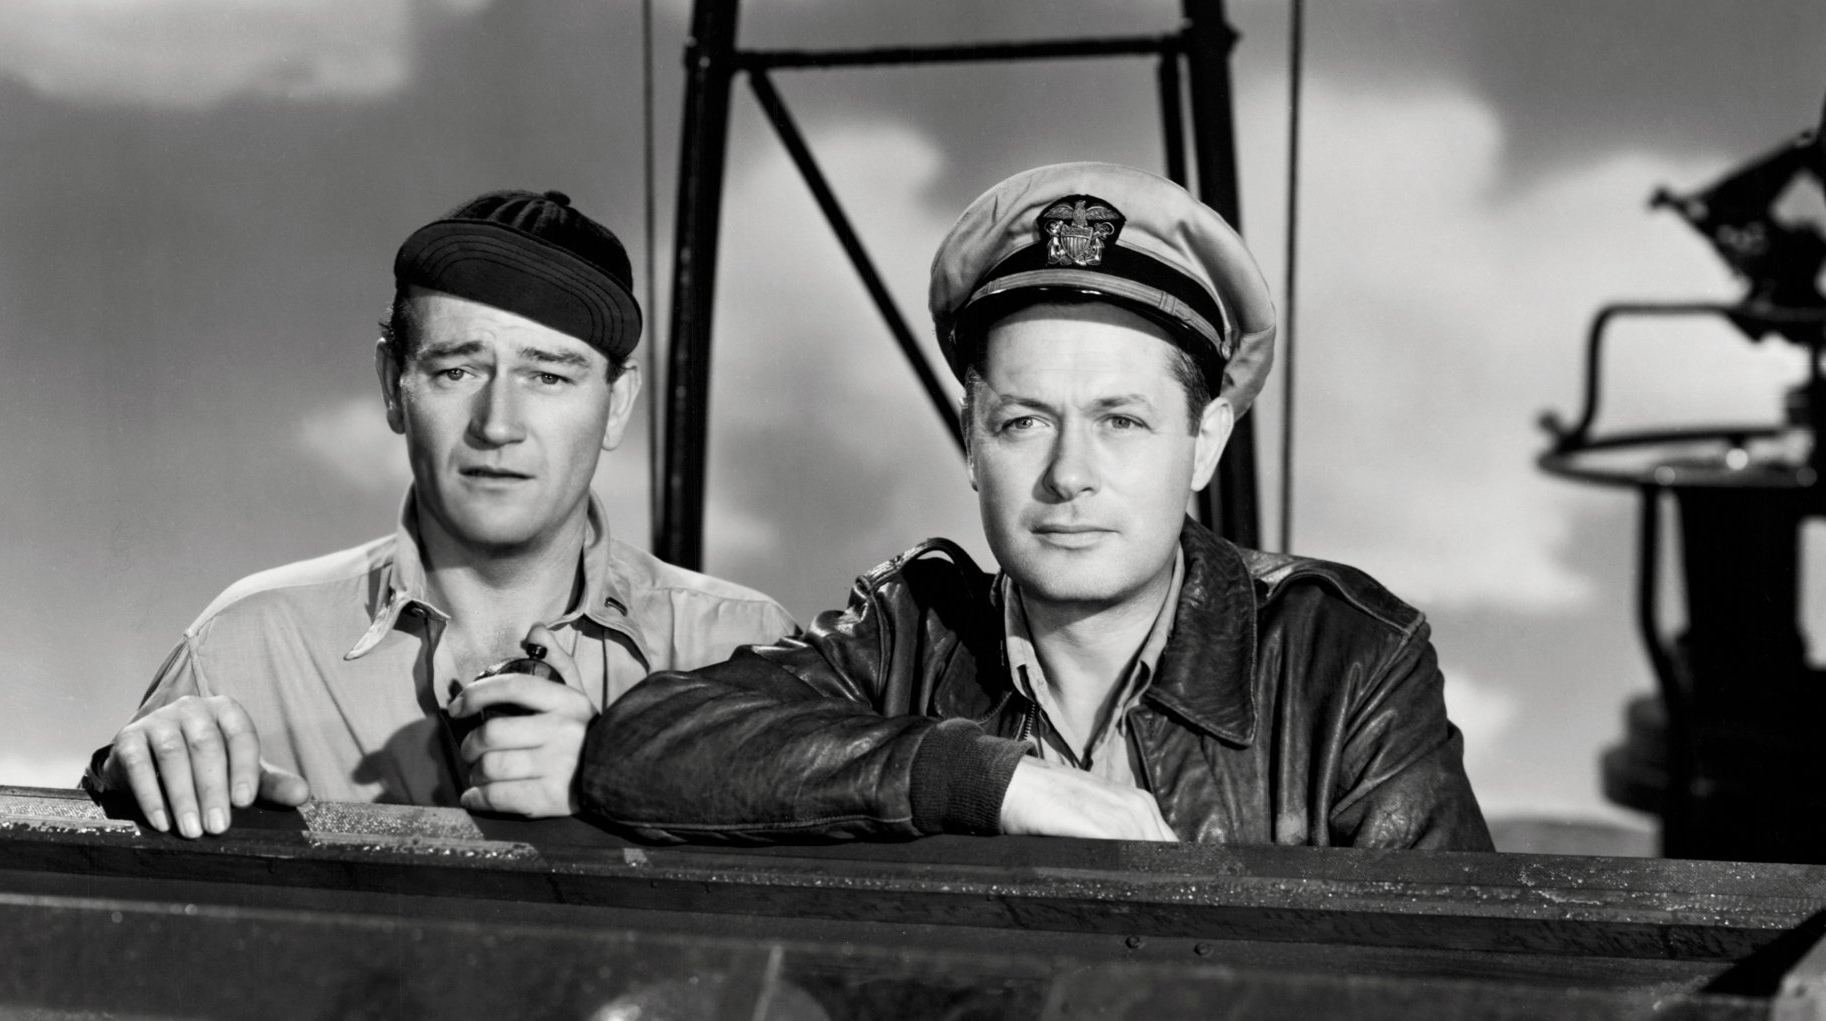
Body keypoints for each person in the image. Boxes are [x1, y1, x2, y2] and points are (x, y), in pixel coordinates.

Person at [580, 162, 1492, 849]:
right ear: (971, 436)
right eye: (1024, 422)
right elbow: (641, 746)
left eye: (1121, 422)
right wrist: (981, 781)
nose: (1069, 474)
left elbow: (1449, 1002)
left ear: (1204, 441)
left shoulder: (1344, 661)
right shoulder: (910, 634)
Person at [90, 189, 794, 837]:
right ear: (393, 388)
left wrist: (623, 778)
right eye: (457, 371)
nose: (498, 424)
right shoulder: (241, 651)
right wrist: (127, 781)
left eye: (548, 376)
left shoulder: (742, 649)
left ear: (615, 404)